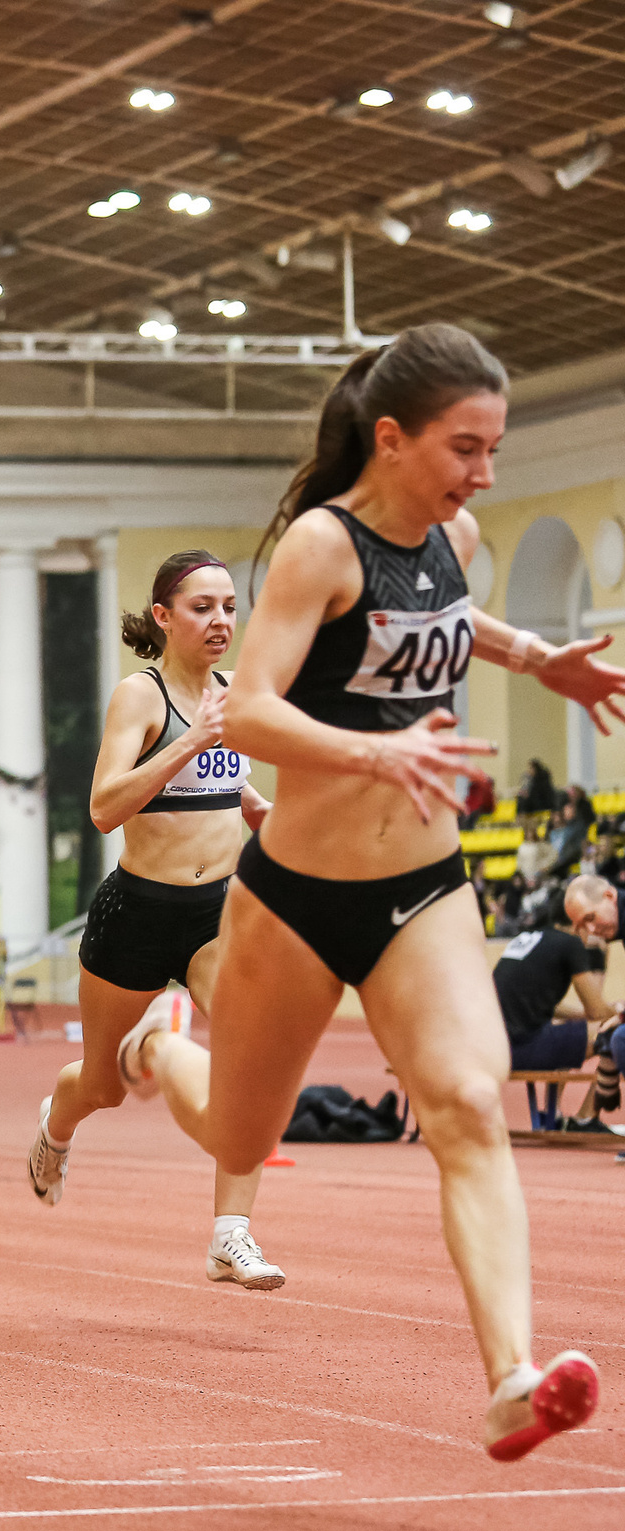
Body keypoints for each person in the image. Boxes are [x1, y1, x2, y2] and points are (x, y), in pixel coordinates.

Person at [205, 324, 608, 1460]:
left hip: (422, 890)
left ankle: (511, 1380)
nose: (483, 475)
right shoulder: (317, 549)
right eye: (463, 448)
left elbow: (441, 618)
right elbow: (246, 711)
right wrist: (376, 752)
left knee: (469, 1108)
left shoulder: (453, 535)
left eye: (492, 448)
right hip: (292, 895)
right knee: (235, 1126)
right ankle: (148, 1054)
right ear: (390, 439)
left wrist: (539, 657)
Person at [30, 550, 284, 1289]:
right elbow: (106, 807)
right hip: (136, 912)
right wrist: (192, 740)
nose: (221, 622)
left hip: (217, 912)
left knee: (253, 1053)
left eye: (230, 606)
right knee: (106, 1085)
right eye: (203, 607)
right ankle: (57, 1124)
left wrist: (251, 802)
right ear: (164, 617)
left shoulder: (236, 691)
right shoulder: (140, 699)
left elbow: (222, 776)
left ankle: (229, 1234)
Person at [493, 874, 621, 1133]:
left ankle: (556, 1114)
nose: (593, 929)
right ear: (577, 924)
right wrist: (618, 1010)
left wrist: (583, 1016)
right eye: (589, 921)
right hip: (521, 1047)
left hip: (493, 1046)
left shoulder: (529, 937)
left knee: (565, 1027)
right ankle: (586, 1118)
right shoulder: (571, 944)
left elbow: (539, 1003)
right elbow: (597, 1011)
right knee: (614, 1033)